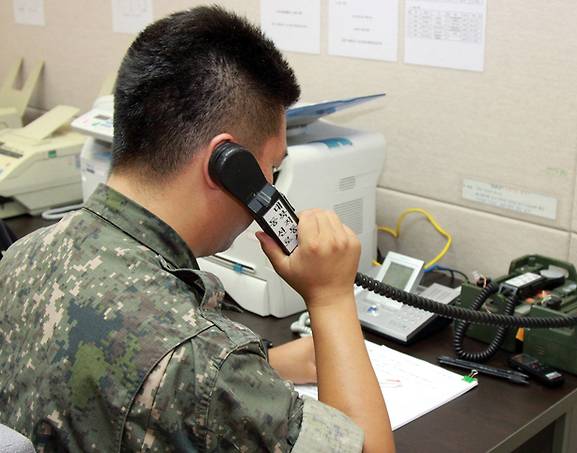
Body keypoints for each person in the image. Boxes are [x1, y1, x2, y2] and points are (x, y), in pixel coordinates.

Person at [0, 5, 394, 453]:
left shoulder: (21, 257)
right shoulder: (201, 362)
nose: (270, 186)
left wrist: (264, 369)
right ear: (230, 166)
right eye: (271, 167)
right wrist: (332, 297)